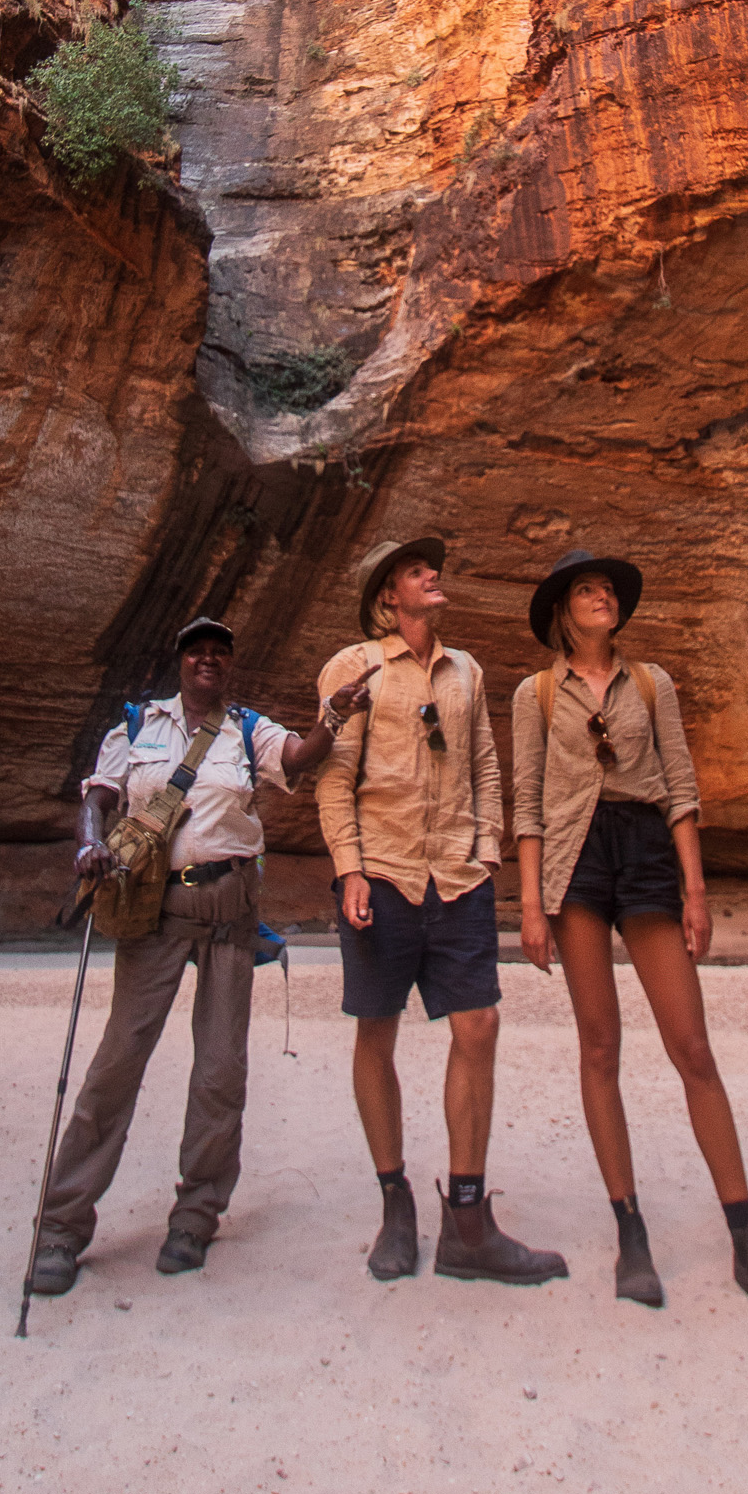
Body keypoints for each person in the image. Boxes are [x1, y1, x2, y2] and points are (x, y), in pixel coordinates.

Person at [27, 614, 361, 1295]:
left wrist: (332, 718)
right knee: (115, 1068)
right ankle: (60, 1228)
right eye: (197, 652)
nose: (208, 660)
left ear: (227, 666)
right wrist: (89, 842)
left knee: (219, 1072)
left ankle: (196, 1215)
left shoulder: (246, 729)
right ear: (179, 662)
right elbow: (98, 795)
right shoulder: (137, 725)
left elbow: (298, 759)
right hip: (154, 911)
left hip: (229, 912)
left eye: (219, 653)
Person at [513, 550, 748, 1311]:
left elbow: (680, 785)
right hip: (575, 864)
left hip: (644, 852)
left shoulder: (652, 683)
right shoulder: (536, 693)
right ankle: (630, 1231)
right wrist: (528, 906)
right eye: (587, 591)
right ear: (563, 612)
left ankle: (746, 1235)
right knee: (601, 1046)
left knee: (693, 1046)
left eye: (608, 590)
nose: (602, 598)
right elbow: (529, 803)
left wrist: (697, 891)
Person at [316, 536, 566, 1288]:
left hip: (457, 877)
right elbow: (334, 777)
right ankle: (396, 1203)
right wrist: (350, 869)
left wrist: (486, 846)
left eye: (434, 567)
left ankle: (466, 1220)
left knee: (479, 1025)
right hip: (383, 872)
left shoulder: (467, 671)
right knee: (376, 1030)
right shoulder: (352, 667)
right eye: (418, 569)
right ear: (388, 594)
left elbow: (486, 763)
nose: (434, 575)